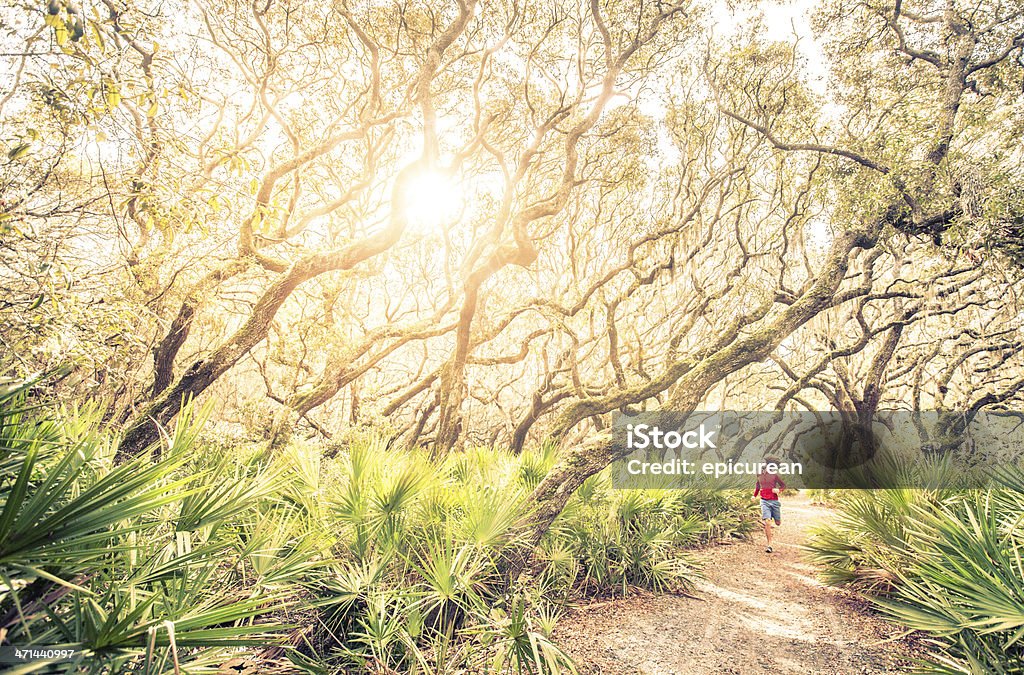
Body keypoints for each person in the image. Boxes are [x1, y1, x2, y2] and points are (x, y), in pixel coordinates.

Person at [753, 457, 785, 553]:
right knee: (767, 521)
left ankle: (776, 518)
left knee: (778, 523)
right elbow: (758, 486)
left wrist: (779, 490)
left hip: (774, 501)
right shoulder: (758, 475)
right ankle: (769, 545)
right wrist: (754, 495)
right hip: (764, 501)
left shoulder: (774, 476)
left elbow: (783, 485)